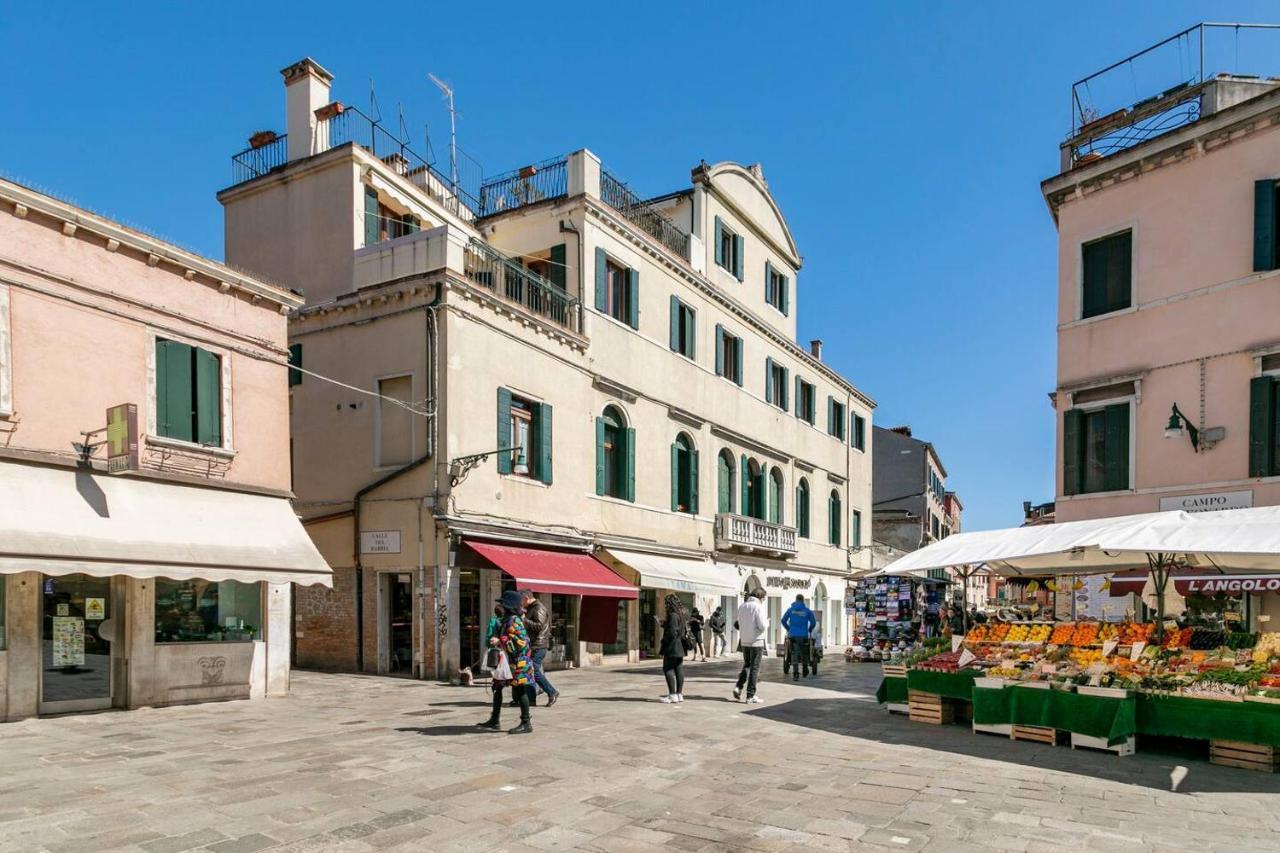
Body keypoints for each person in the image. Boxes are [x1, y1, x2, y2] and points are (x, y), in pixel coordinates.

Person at [477, 590, 534, 734]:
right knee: (497, 687)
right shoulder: (505, 619)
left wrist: (500, 640)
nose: (500, 606)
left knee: (520, 690)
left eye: (502, 603)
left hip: (518, 662)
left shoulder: (514, 620)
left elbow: (522, 643)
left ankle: (526, 723)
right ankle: (494, 720)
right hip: (506, 661)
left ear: (509, 605)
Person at [520, 589, 558, 708]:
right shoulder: (532, 608)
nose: (521, 604)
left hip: (539, 644)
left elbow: (539, 626)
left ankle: (552, 692)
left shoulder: (538, 608)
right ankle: (531, 699)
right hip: (533, 644)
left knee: (533, 670)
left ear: (526, 598)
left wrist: (524, 620)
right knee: (529, 671)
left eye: (521, 601)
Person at [733, 588, 768, 704]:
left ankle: (739, 686)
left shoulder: (742, 606)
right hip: (756, 641)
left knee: (747, 665)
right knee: (755, 668)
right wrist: (767, 622)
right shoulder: (758, 607)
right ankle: (750, 695)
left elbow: (738, 624)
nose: (763, 600)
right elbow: (762, 625)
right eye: (763, 598)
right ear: (760, 597)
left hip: (744, 641)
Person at [658, 594, 688, 703]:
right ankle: (679, 694)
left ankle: (672, 695)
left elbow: (671, 632)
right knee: (679, 669)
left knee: (668, 669)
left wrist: (663, 643)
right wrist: (664, 624)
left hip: (672, 646)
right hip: (680, 646)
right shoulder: (682, 614)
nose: (665, 605)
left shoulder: (673, 615)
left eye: (666, 603)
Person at [781, 594, 816, 681]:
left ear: (796, 600)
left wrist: (789, 629)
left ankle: (795, 674)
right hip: (804, 635)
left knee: (794, 654)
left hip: (793, 636)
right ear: (803, 600)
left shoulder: (790, 610)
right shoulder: (807, 611)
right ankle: (805, 669)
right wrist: (810, 629)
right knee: (804, 653)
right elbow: (813, 622)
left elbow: (783, 620)